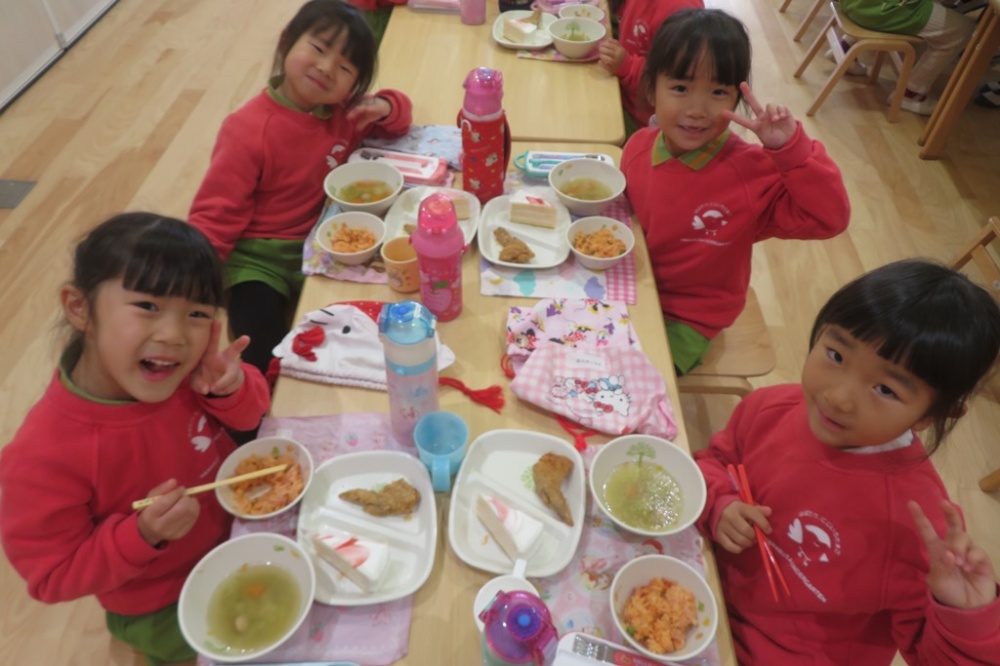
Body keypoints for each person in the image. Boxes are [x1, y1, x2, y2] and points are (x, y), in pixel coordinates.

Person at [694, 259, 1000, 665]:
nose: (838, 397)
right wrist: (721, 502)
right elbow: (715, 461)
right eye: (836, 354)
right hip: (699, 590)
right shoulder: (771, 406)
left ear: (931, 416)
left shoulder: (918, 526)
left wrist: (967, 616)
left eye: (885, 389)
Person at [0, 213, 271, 666]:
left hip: (239, 534)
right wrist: (143, 535)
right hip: (160, 600)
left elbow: (252, 414)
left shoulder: (181, 371)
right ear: (79, 307)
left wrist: (231, 386)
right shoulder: (41, 456)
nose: (174, 335)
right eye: (147, 305)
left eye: (197, 314)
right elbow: (51, 576)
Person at [189, 0, 412, 378]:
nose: (326, 68)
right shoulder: (246, 129)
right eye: (318, 48)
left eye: (345, 68)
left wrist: (385, 106)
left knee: (372, 334)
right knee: (264, 354)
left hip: (327, 245)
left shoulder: (344, 113)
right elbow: (215, 214)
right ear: (287, 41)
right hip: (259, 262)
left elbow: (400, 117)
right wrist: (190, 287)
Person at [620, 8, 850, 375]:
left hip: (688, 316)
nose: (697, 110)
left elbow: (829, 219)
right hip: (632, 286)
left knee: (630, 378)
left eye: (718, 92)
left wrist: (792, 152)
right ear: (652, 88)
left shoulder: (752, 172)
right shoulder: (637, 147)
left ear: (736, 99)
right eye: (680, 88)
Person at [839, 0, 976, 115]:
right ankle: (910, 94)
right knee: (961, 29)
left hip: (852, 4)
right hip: (879, 10)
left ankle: (846, 46)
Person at [598, 0, 705, 134]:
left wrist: (626, 65)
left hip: (643, 120)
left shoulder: (680, 13)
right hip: (624, 90)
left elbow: (674, 84)